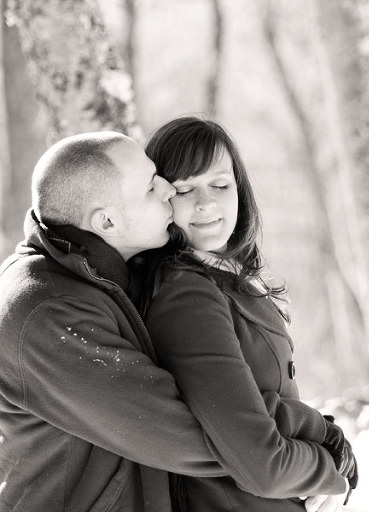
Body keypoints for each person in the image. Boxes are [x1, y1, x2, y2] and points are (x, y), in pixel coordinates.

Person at [0, 131, 347, 511]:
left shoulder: (98, 280)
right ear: (107, 222)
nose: (168, 190)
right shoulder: (49, 314)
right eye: (152, 187)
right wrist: (319, 446)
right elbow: (213, 436)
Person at [140, 116, 358, 512]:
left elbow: (259, 404)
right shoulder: (186, 295)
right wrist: (329, 463)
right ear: (160, 200)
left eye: (220, 185)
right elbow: (261, 465)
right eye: (185, 190)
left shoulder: (228, 280)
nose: (205, 203)